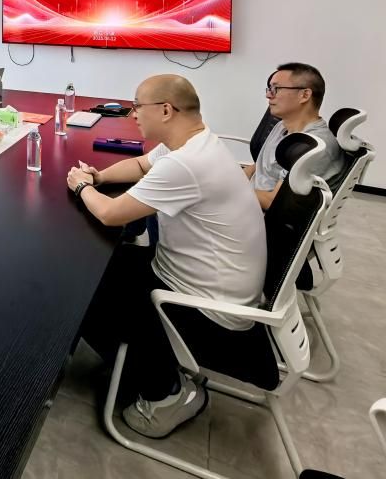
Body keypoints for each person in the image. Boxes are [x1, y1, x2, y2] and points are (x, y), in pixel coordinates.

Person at [65, 75, 267, 439]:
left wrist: (80, 186)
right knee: (102, 265)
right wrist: (98, 177)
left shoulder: (186, 164)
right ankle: (149, 366)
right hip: (207, 282)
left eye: (137, 106)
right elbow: (142, 165)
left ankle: (165, 393)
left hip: (209, 311)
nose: (133, 115)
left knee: (80, 291)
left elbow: (110, 214)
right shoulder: (196, 143)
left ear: (165, 110)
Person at [245, 62, 344, 210]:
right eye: (269, 88)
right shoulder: (282, 125)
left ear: (304, 95)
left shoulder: (309, 148)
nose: (268, 95)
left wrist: (230, 190)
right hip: (250, 196)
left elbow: (273, 202)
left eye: (276, 89)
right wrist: (236, 178)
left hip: (260, 213)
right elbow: (260, 165)